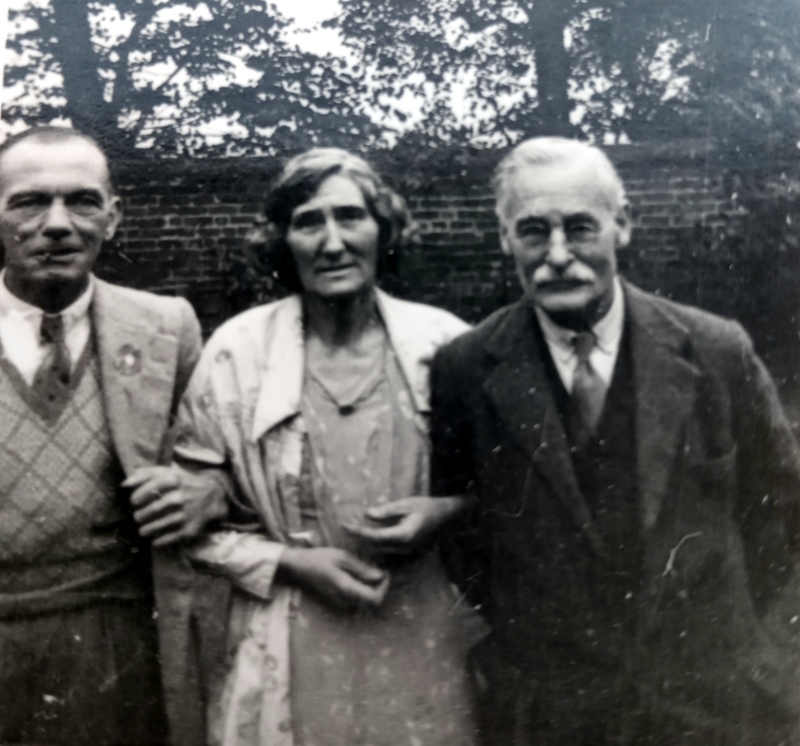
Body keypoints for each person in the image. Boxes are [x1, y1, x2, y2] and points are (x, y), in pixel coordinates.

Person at [430, 137, 800, 745]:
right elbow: (464, 539)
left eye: (579, 228)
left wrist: (719, 631)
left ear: (620, 226)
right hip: (555, 709)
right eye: (532, 231)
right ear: (504, 239)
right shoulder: (465, 369)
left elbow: (780, 515)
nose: (557, 255)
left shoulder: (715, 350)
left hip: (709, 701)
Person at [173, 148, 481, 746]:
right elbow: (189, 525)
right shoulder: (237, 354)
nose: (332, 241)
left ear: (382, 229)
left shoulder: (447, 345)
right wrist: (291, 563)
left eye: (350, 217)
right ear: (283, 241)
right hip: (289, 632)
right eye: (309, 221)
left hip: (425, 637)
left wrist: (447, 511)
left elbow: (514, 493)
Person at [0, 126, 224, 746]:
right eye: (28, 202)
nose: (57, 224)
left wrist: (206, 491)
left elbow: (217, 466)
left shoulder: (164, 328)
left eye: (82, 201)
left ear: (112, 216)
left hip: (118, 642)